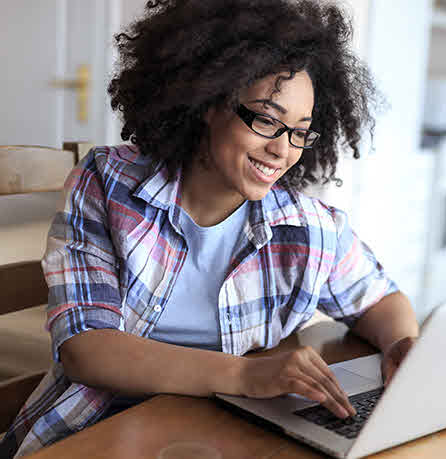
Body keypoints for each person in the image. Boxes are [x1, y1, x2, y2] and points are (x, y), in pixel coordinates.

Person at [0, 0, 419, 457]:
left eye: (300, 130)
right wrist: (244, 375)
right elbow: (86, 348)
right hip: (91, 433)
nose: (282, 150)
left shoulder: (306, 227)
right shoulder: (108, 184)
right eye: (266, 120)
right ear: (208, 100)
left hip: (216, 435)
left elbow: (380, 299)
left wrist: (402, 344)